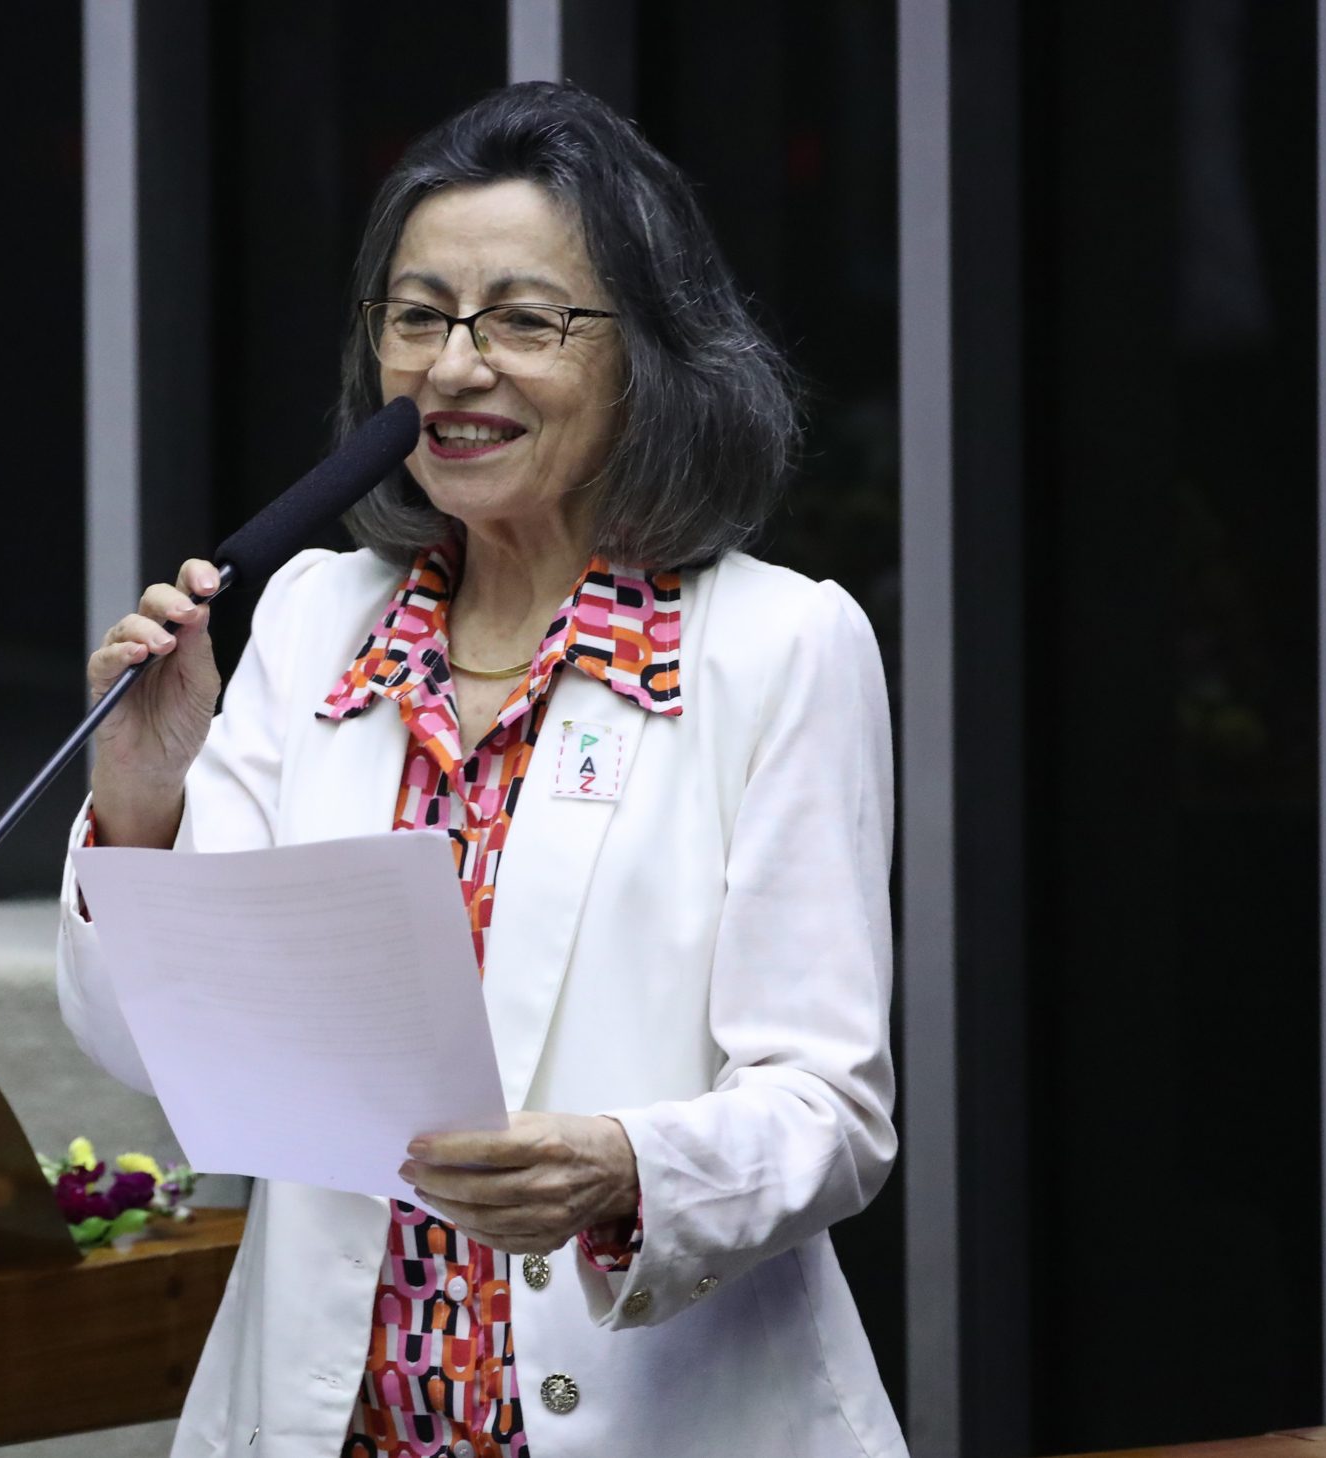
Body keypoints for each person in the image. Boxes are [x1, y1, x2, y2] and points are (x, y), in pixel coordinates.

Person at [57, 82, 901, 1458]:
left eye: (524, 319)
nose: (455, 367)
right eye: (419, 316)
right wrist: (141, 808)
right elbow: (160, 1060)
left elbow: (831, 1111)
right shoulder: (318, 624)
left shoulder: (779, 645)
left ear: (652, 354)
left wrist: (628, 1163)